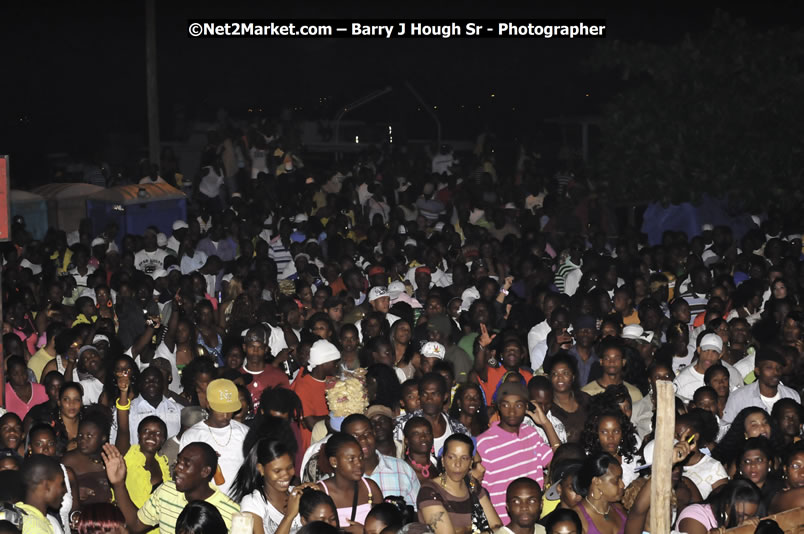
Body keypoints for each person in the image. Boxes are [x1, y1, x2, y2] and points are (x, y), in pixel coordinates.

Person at [103, 441, 240, 533]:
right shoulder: (166, 491)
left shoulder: (231, 512)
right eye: (178, 461)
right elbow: (136, 525)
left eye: (186, 464)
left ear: (205, 472)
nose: (178, 467)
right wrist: (118, 483)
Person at [477, 382, 559, 522]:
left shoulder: (530, 433)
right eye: (506, 405)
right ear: (498, 406)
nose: (512, 411)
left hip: (533, 521)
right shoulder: (483, 443)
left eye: (518, 405)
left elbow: (560, 461)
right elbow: (479, 492)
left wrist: (545, 423)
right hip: (502, 524)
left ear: (527, 407)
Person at [417, 433, 501, 534]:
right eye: (451, 457)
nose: (458, 464)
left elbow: (498, 527)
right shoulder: (430, 492)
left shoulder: (472, 484)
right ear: (443, 460)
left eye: (464, 458)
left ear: (470, 463)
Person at [229, 438, 315, 534]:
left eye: (289, 467)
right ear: (261, 469)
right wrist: (289, 516)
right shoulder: (251, 502)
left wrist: (316, 495)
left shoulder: (298, 494)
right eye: (277, 471)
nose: (286, 475)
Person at [180, 379, 249, 496]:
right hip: (205, 500)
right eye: (220, 409)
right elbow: (184, 474)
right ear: (208, 404)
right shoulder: (192, 436)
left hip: (238, 501)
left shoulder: (245, 433)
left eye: (229, 409)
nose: (226, 415)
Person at [341, 414, 420, 508]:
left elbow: (417, 510)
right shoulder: (339, 477)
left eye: (367, 433)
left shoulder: (402, 469)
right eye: (355, 436)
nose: (363, 440)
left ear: (374, 433)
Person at [316, 433, 383, 532]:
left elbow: (384, 527)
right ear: (334, 461)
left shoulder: (370, 488)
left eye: (361, 457)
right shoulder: (321, 492)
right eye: (351, 459)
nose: (359, 464)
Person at [394, 373, 469, 455]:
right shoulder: (401, 425)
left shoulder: (458, 429)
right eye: (424, 394)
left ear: (445, 396)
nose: (429, 399)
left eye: (435, 394)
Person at [722, 349, 800, 426]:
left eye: (779, 368)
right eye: (769, 367)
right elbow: (726, 428)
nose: (775, 372)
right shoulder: (738, 397)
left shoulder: (792, 396)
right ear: (757, 371)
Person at [291, 339, 341, 451]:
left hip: (332, 441)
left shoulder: (333, 381)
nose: (337, 366)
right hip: (314, 445)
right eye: (334, 362)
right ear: (324, 363)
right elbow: (311, 424)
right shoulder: (303, 387)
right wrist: (337, 415)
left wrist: (328, 417)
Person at [113, 366, 182, 446]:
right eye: (147, 380)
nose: (151, 383)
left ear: (163, 384)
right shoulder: (127, 411)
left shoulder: (179, 410)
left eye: (156, 380)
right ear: (140, 384)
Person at [676, 478, 763, 534]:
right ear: (726, 503)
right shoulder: (695, 515)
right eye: (740, 515)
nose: (745, 520)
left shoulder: (740, 522)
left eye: (750, 516)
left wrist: (745, 529)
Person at [62, 412, 114, 505]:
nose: (82, 440)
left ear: (103, 438)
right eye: (80, 435)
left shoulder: (110, 458)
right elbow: (57, 490)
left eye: (89, 436)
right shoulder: (70, 460)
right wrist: (74, 493)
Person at [570, 452, 626, 534]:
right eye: (616, 480)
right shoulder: (576, 518)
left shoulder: (619, 510)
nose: (622, 485)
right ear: (596, 482)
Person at [240, 326, 291, 412]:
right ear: (244, 347)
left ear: (266, 349)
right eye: (251, 347)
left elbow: (285, 409)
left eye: (260, 347)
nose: (255, 351)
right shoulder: (237, 377)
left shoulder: (279, 377)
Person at [544, 353, 591, 443]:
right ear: (549, 378)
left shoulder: (586, 400)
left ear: (573, 377)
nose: (560, 378)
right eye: (555, 374)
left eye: (565, 373)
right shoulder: (547, 407)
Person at [580, 339, 642, 405]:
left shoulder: (634, 393)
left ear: (623, 362)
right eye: (607, 358)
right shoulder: (586, 392)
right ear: (601, 361)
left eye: (617, 358)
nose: (612, 362)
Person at [16, 455, 67, 534]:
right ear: (47, 486)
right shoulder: (36, 528)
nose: (65, 490)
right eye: (62, 484)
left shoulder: (18, 512)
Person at [5, 356, 47, 420]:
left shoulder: (41, 390)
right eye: (15, 374)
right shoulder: (4, 393)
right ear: (8, 375)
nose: (21, 376)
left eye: (23, 372)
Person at [403, 417, 439, 483]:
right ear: (406, 440)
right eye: (416, 433)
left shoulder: (440, 466)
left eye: (427, 432)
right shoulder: (402, 470)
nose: (423, 437)